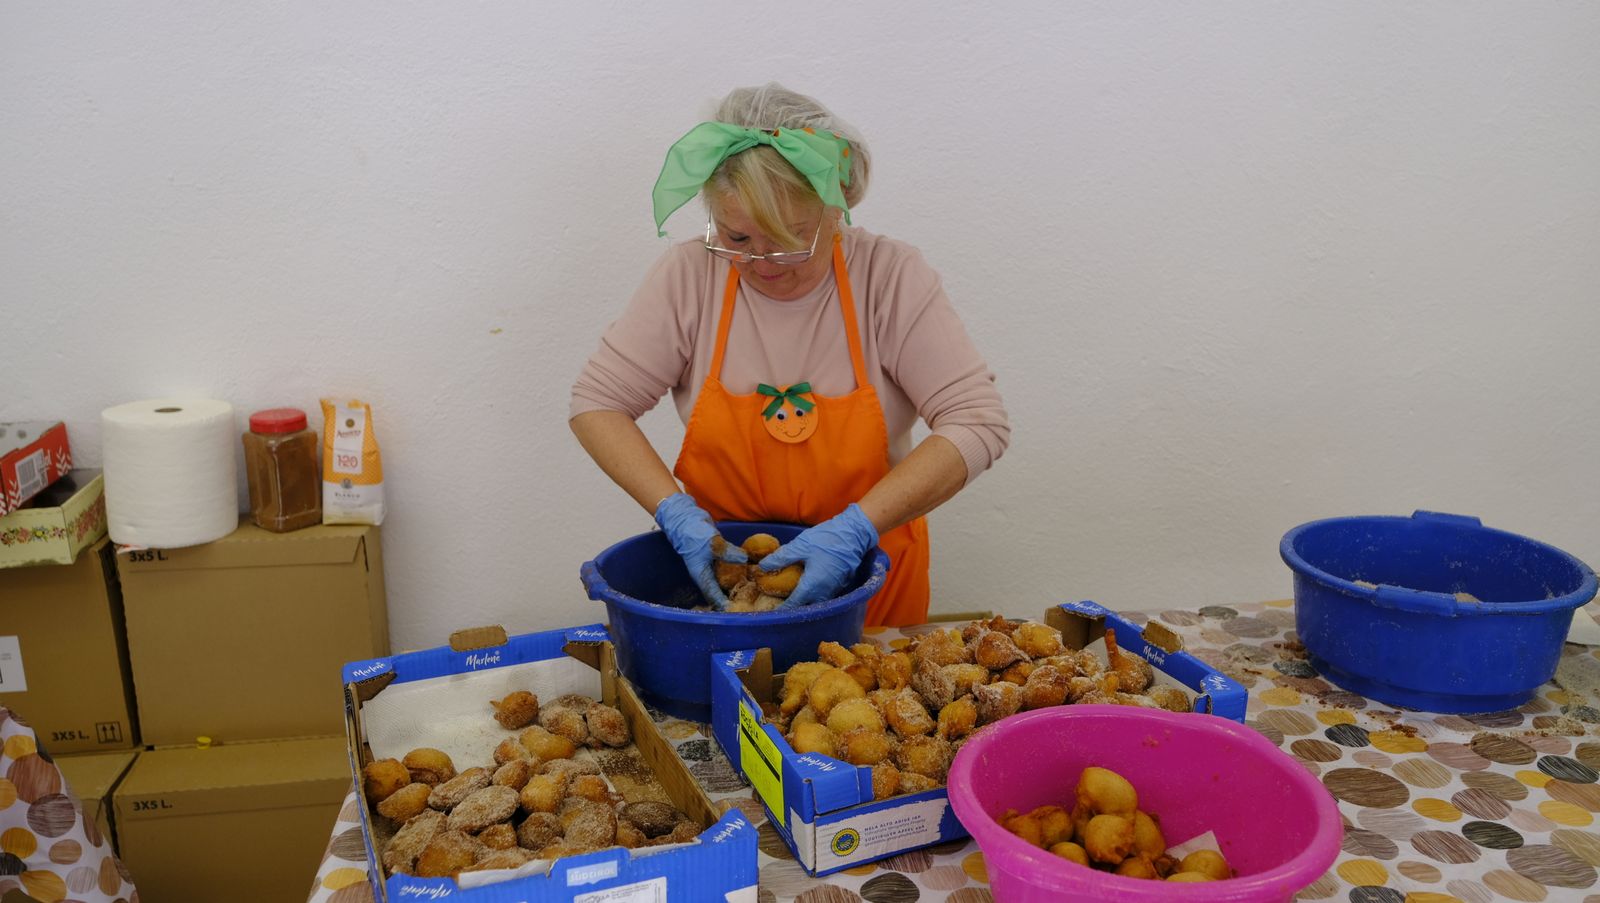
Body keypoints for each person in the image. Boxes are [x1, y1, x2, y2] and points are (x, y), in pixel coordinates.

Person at [570, 83, 1008, 627]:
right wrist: (672, 509)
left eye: (789, 238)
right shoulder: (689, 276)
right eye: (737, 237)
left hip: (874, 581)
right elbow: (598, 403)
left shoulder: (889, 277)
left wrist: (856, 531)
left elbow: (976, 422)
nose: (762, 261)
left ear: (836, 208)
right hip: (730, 585)